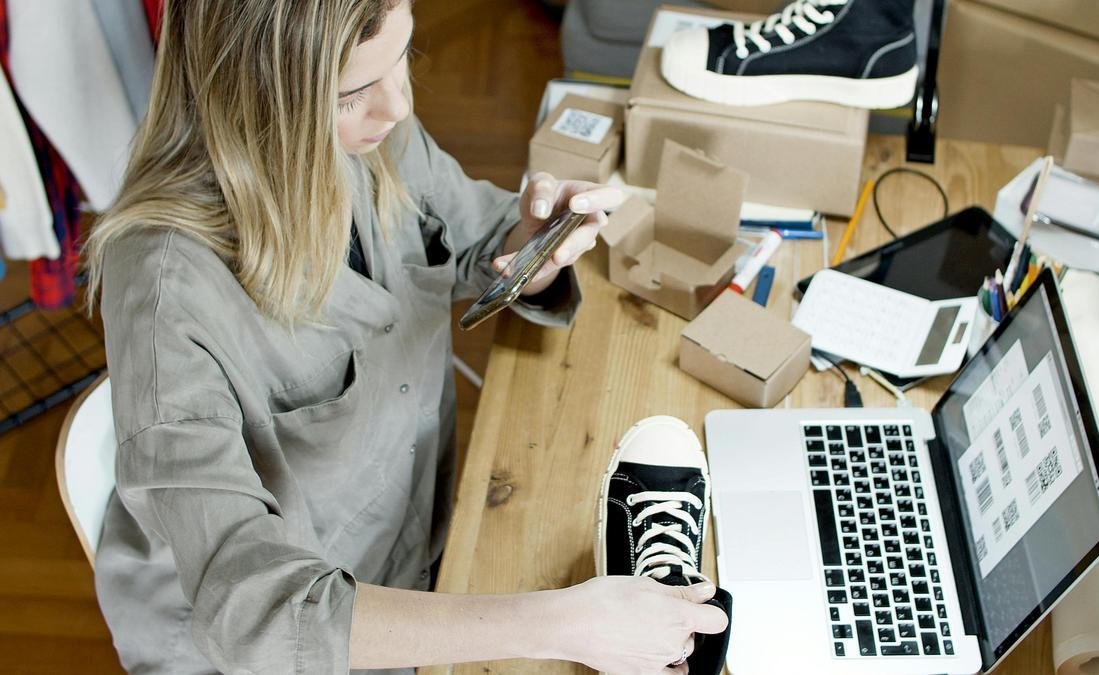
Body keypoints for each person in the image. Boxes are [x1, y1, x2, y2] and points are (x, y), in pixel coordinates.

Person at [83, 1, 728, 673]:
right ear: (256, 94)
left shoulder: (369, 133)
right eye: (352, 93)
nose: (398, 107)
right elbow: (256, 615)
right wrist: (560, 624)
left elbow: (475, 234)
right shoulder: (166, 288)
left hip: (413, 544)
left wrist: (532, 249)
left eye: (404, 59)